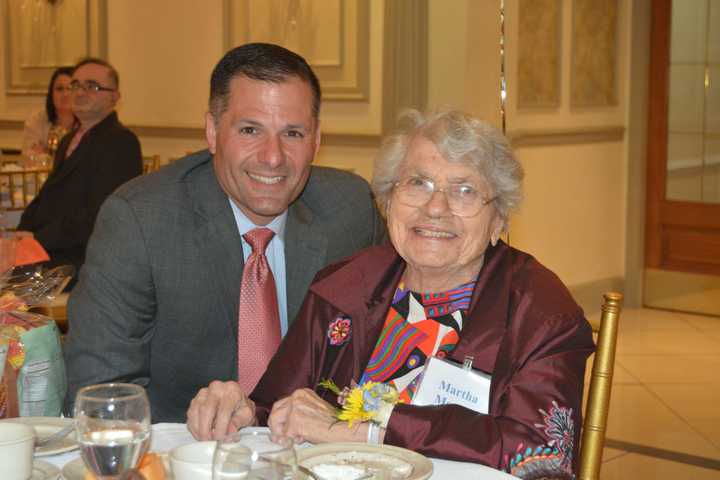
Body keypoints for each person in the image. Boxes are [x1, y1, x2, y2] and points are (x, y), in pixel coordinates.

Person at [187, 110, 595, 479]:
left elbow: (542, 457)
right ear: (388, 200)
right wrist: (242, 412)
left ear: (498, 220)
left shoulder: (540, 312)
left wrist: (369, 429)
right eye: (418, 183)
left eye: (465, 190)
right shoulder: (344, 286)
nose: (436, 208)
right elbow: (278, 405)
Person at [62, 43, 386, 423]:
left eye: (293, 134)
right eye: (251, 130)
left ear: (317, 140)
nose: (273, 157)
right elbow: (100, 391)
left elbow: (396, 341)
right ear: (213, 132)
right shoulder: (140, 221)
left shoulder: (349, 210)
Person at [17, 58, 142, 277]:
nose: (79, 92)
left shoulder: (121, 141)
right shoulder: (69, 139)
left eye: (92, 86)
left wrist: (37, 239)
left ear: (115, 97)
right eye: (75, 85)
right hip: (51, 249)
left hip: (84, 260)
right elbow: (47, 195)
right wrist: (23, 231)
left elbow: (100, 215)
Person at [21, 66, 78, 158]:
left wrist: (45, 153)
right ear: (51, 94)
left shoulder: (87, 121)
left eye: (70, 88)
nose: (65, 94)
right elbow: (30, 157)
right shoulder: (36, 121)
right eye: (60, 89)